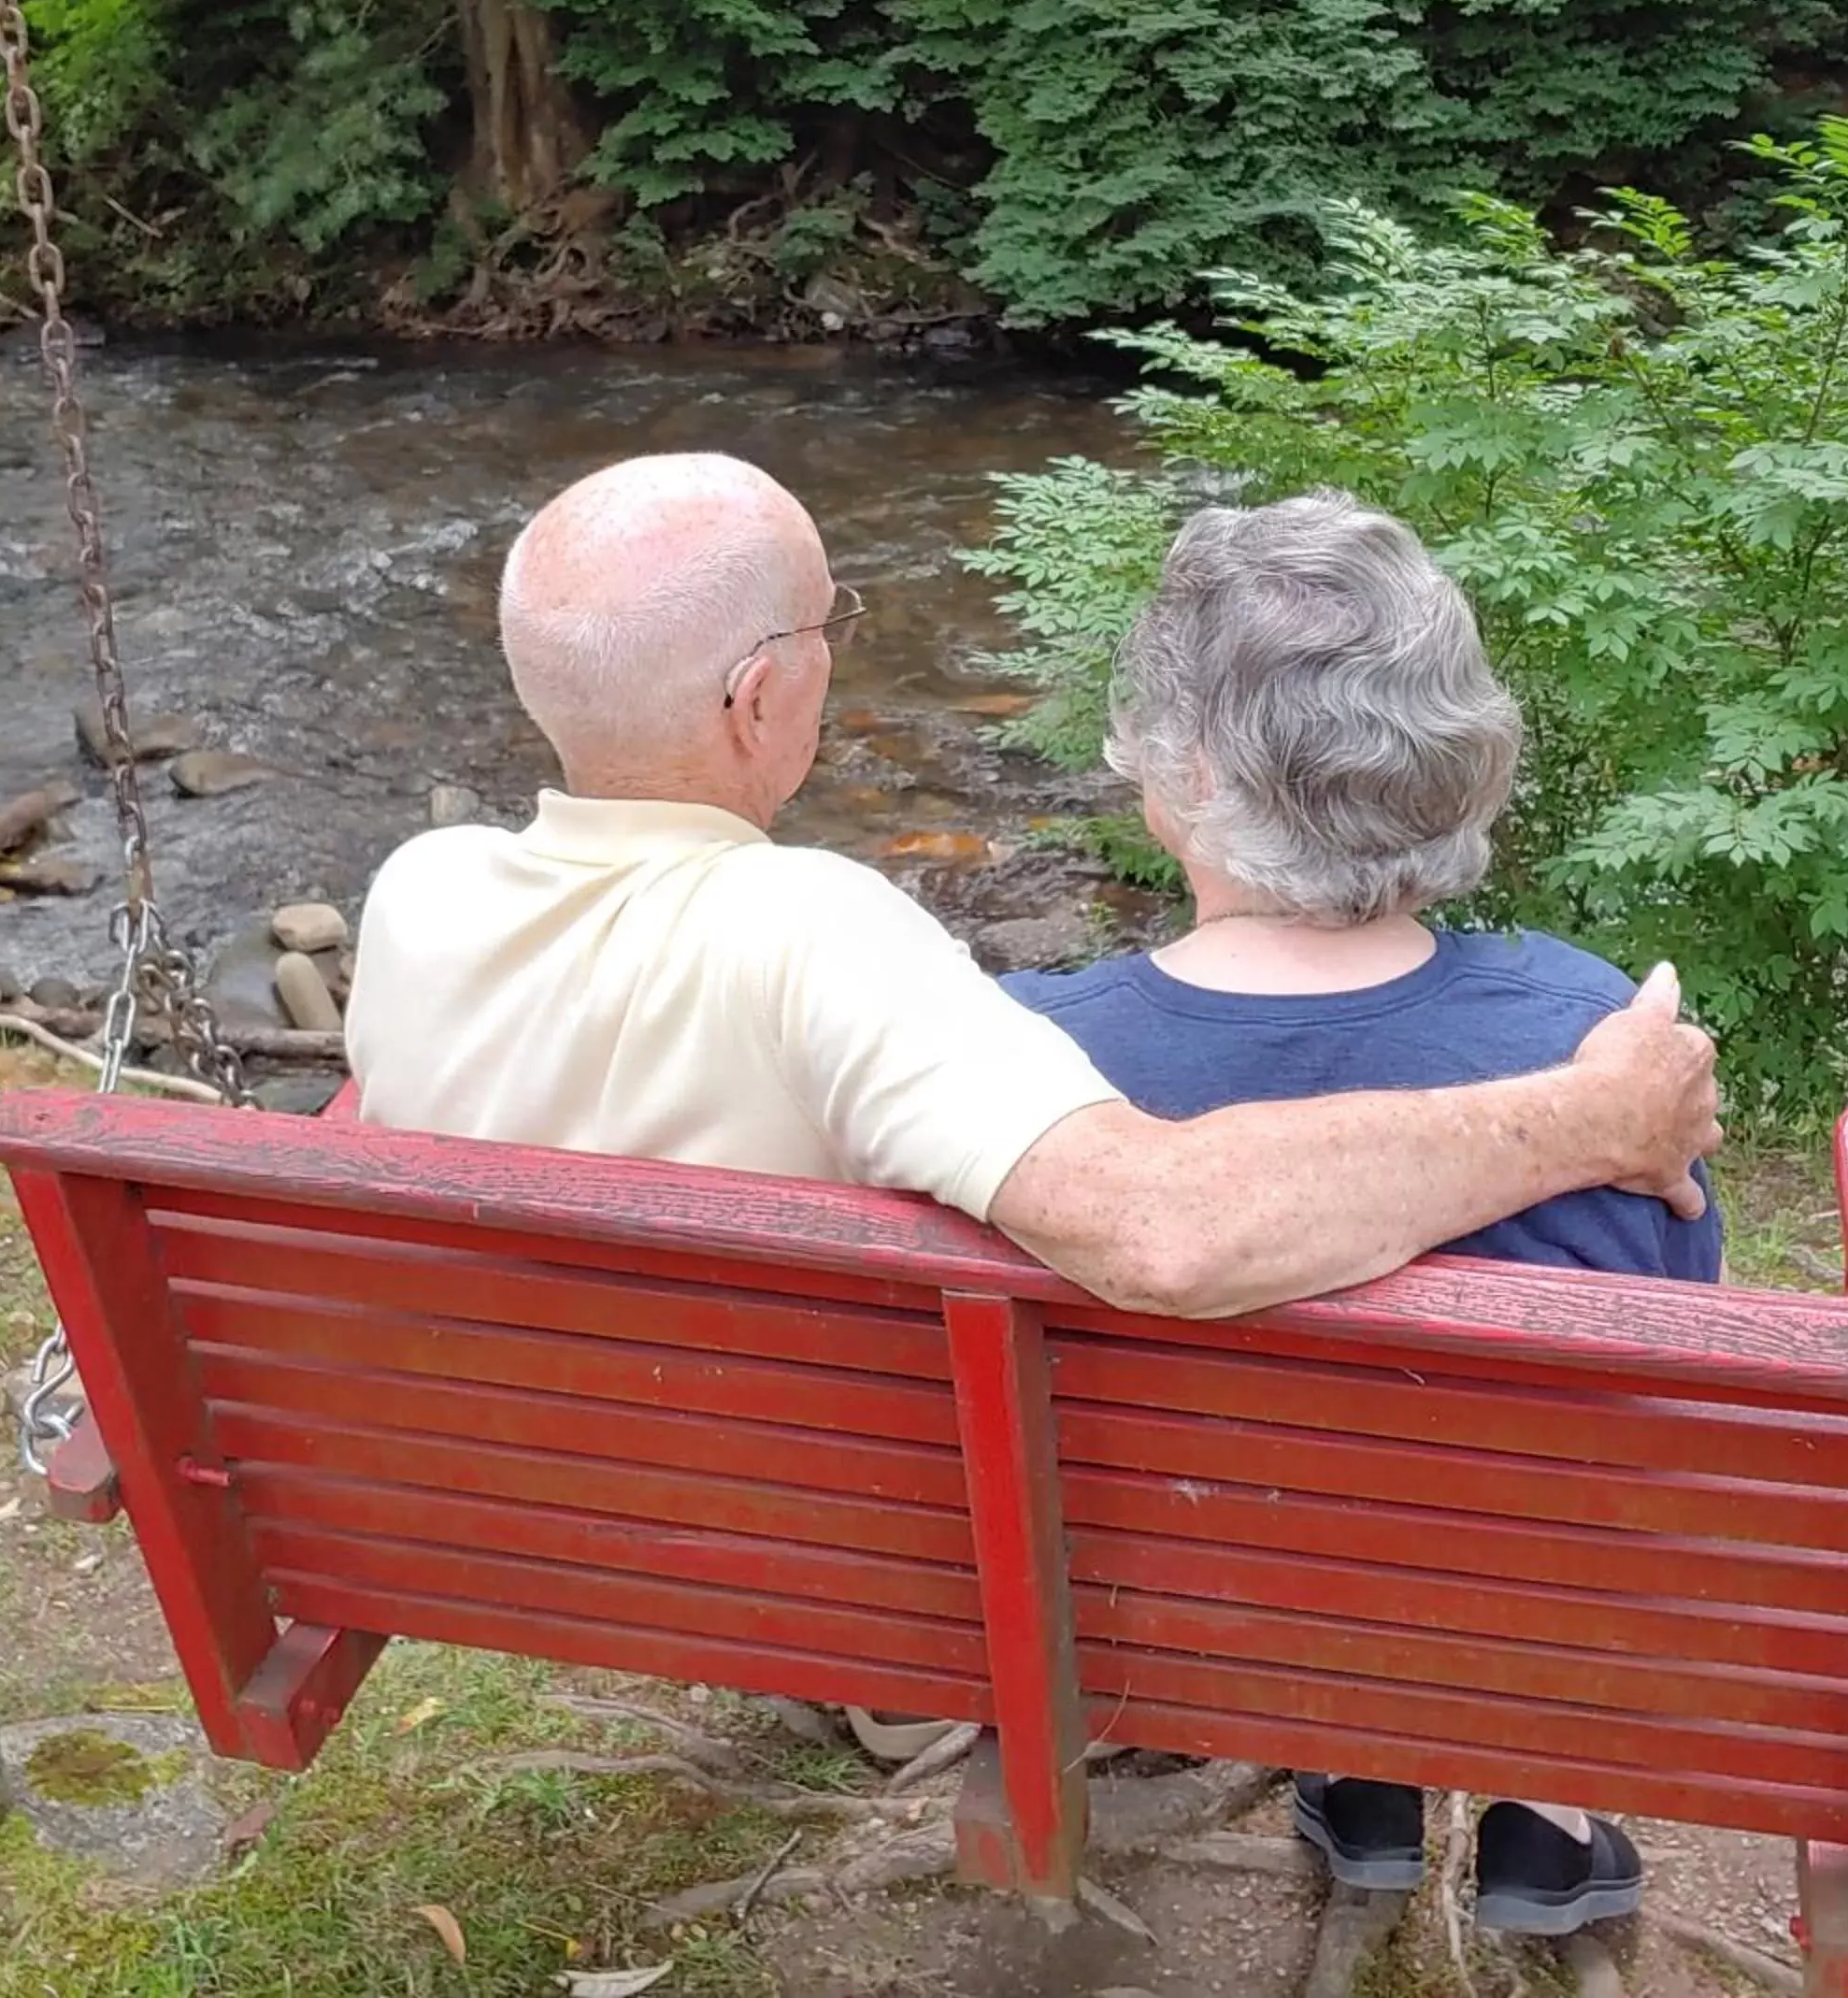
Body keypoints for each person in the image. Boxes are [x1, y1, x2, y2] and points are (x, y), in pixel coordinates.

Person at [344, 450, 1720, 1323]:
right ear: (761, 698)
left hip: (516, 1472)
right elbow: (1168, 1230)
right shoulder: (821, 937)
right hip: (803, 1527)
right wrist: (1590, 1116)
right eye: (838, 625)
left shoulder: (416, 892)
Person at [1000, 489, 1722, 1941]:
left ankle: (1361, 1778)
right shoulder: (1603, 1041)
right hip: (1517, 1616)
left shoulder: (1019, 1059)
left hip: (1163, 1620)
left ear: (1189, 769)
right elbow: (1667, 1370)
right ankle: (1545, 1810)